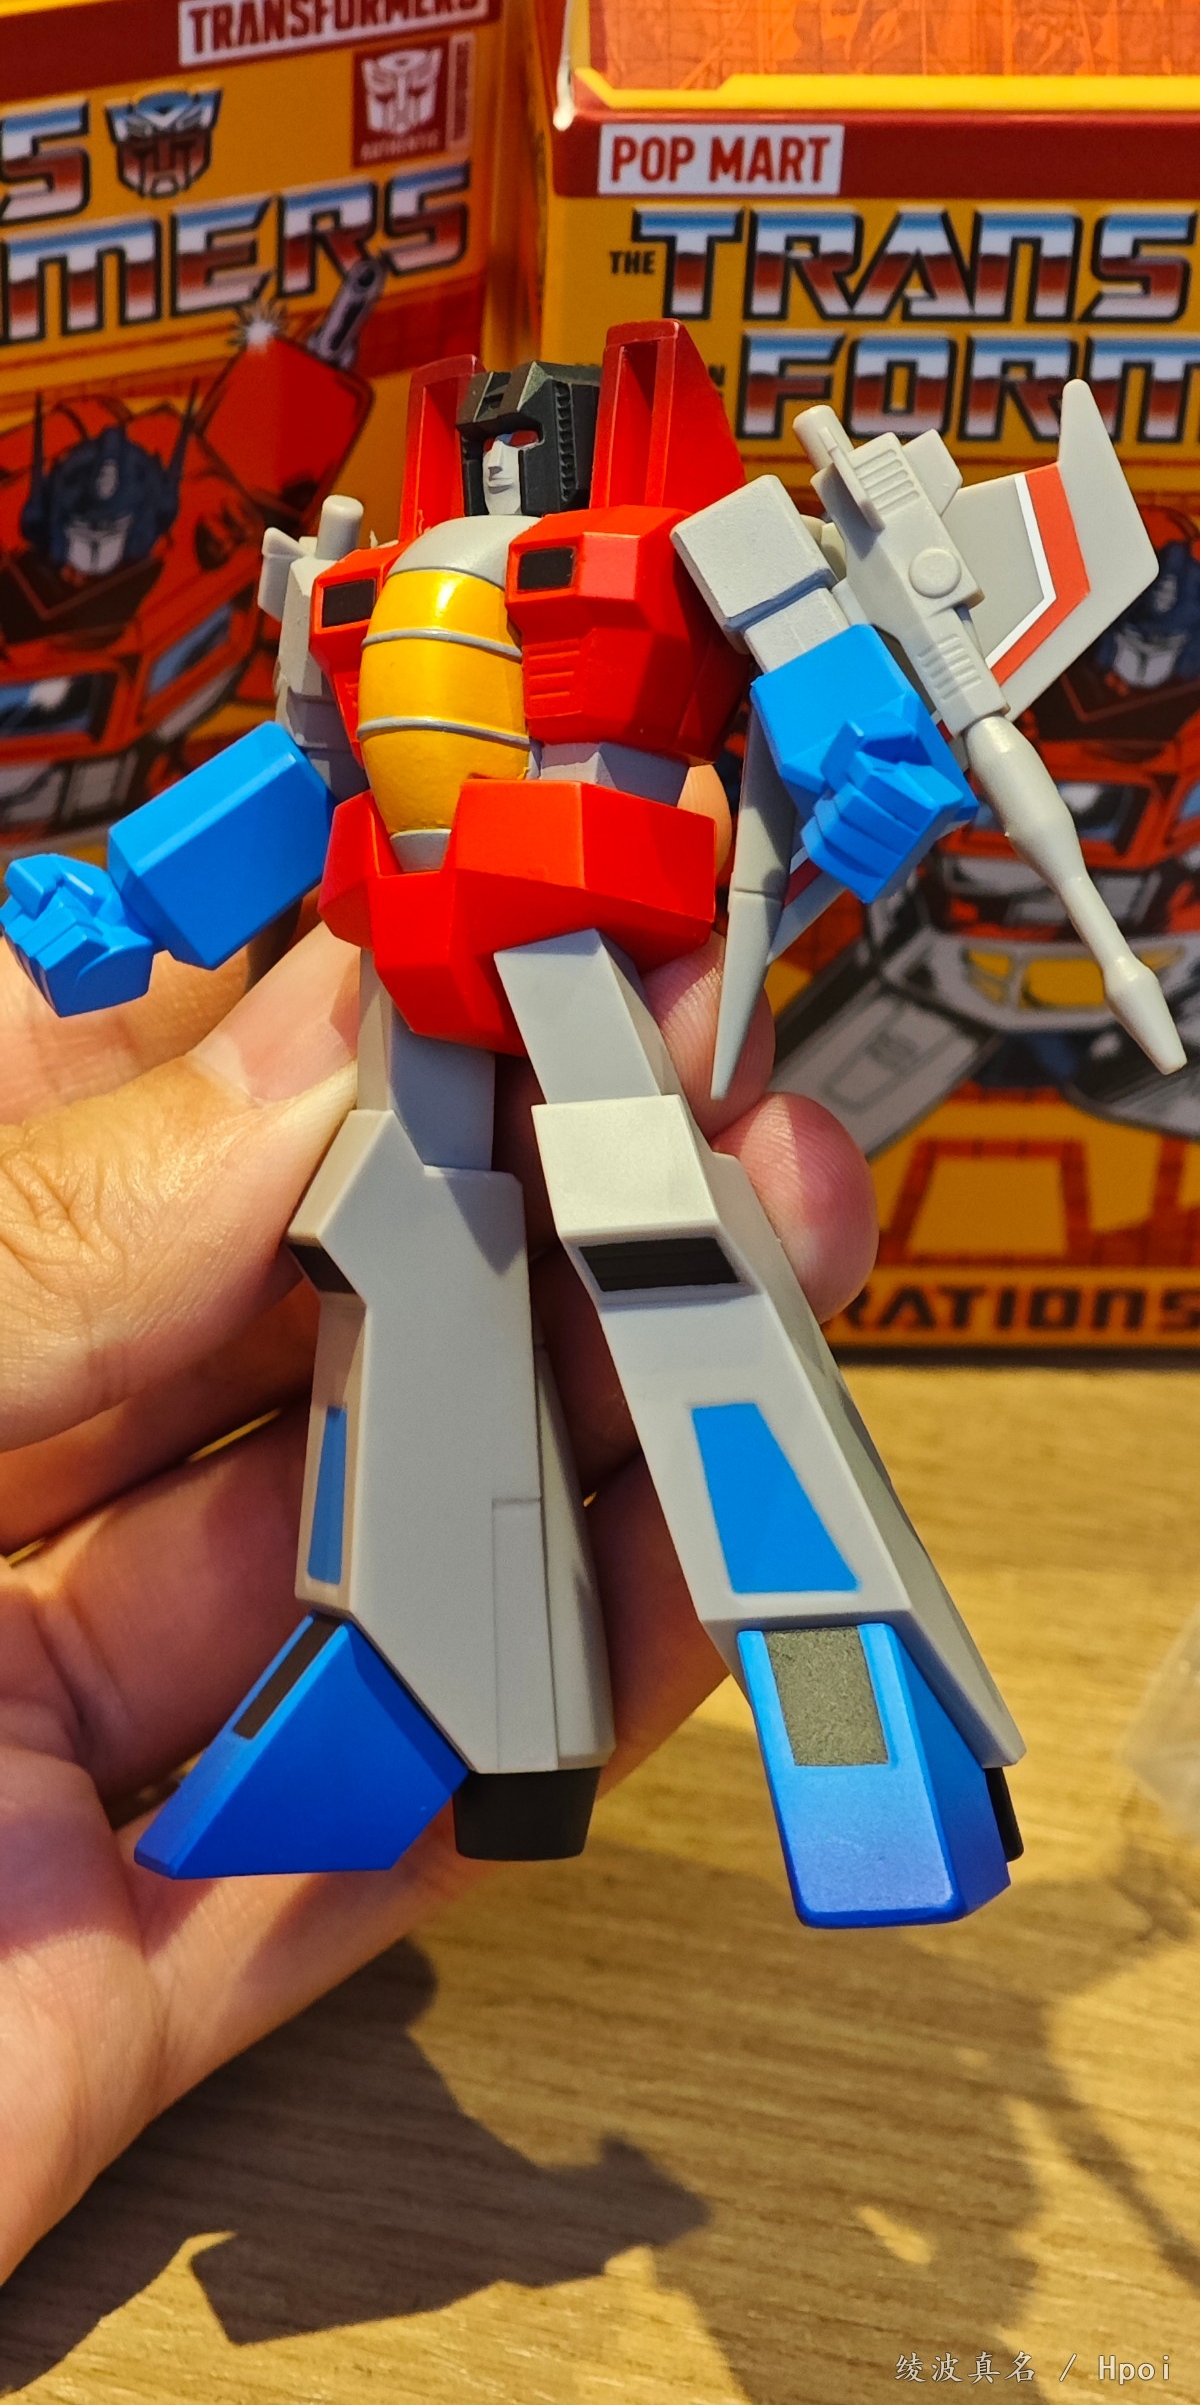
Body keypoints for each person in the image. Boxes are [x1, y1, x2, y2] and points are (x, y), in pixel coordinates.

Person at [0, 909, 875, 2281]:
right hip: (435, 1023)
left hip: (559, 994)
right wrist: (127, 913)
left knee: (690, 1285)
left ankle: (860, 1760)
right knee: (441, 1269)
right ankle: (523, 1734)